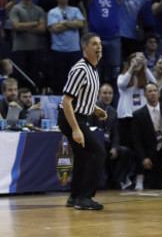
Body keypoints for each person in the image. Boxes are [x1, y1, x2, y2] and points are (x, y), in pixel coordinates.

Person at [58, 32, 107, 210]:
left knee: (84, 155)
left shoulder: (93, 68)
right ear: (85, 48)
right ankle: (84, 198)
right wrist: (76, 129)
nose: (98, 46)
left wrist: (95, 108)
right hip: (69, 116)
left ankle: (74, 196)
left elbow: (81, 97)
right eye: (94, 43)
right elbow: (66, 101)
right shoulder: (81, 69)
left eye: (99, 43)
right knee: (98, 153)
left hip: (78, 116)